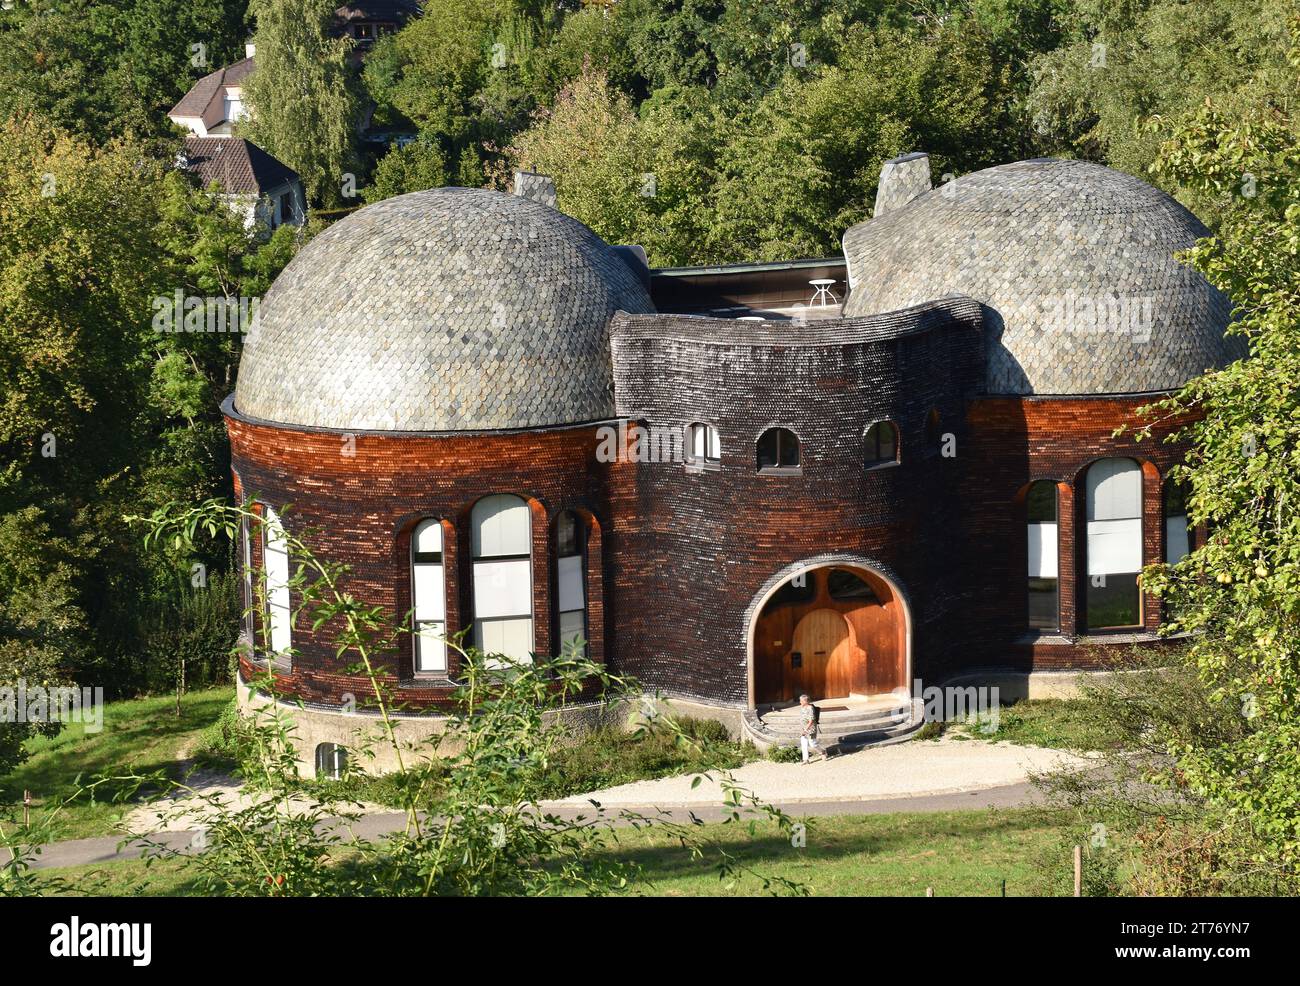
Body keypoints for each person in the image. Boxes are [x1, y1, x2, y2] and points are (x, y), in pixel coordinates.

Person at [797, 693, 824, 764]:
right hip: (803, 728)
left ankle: (822, 752)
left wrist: (806, 729)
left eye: (801, 701)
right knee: (804, 744)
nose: (800, 702)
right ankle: (805, 759)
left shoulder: (810, 708)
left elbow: (811, 720)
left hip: (810, 728)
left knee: (813, 744)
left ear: (806, 701)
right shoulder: (802, 708)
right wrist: (802, 728)